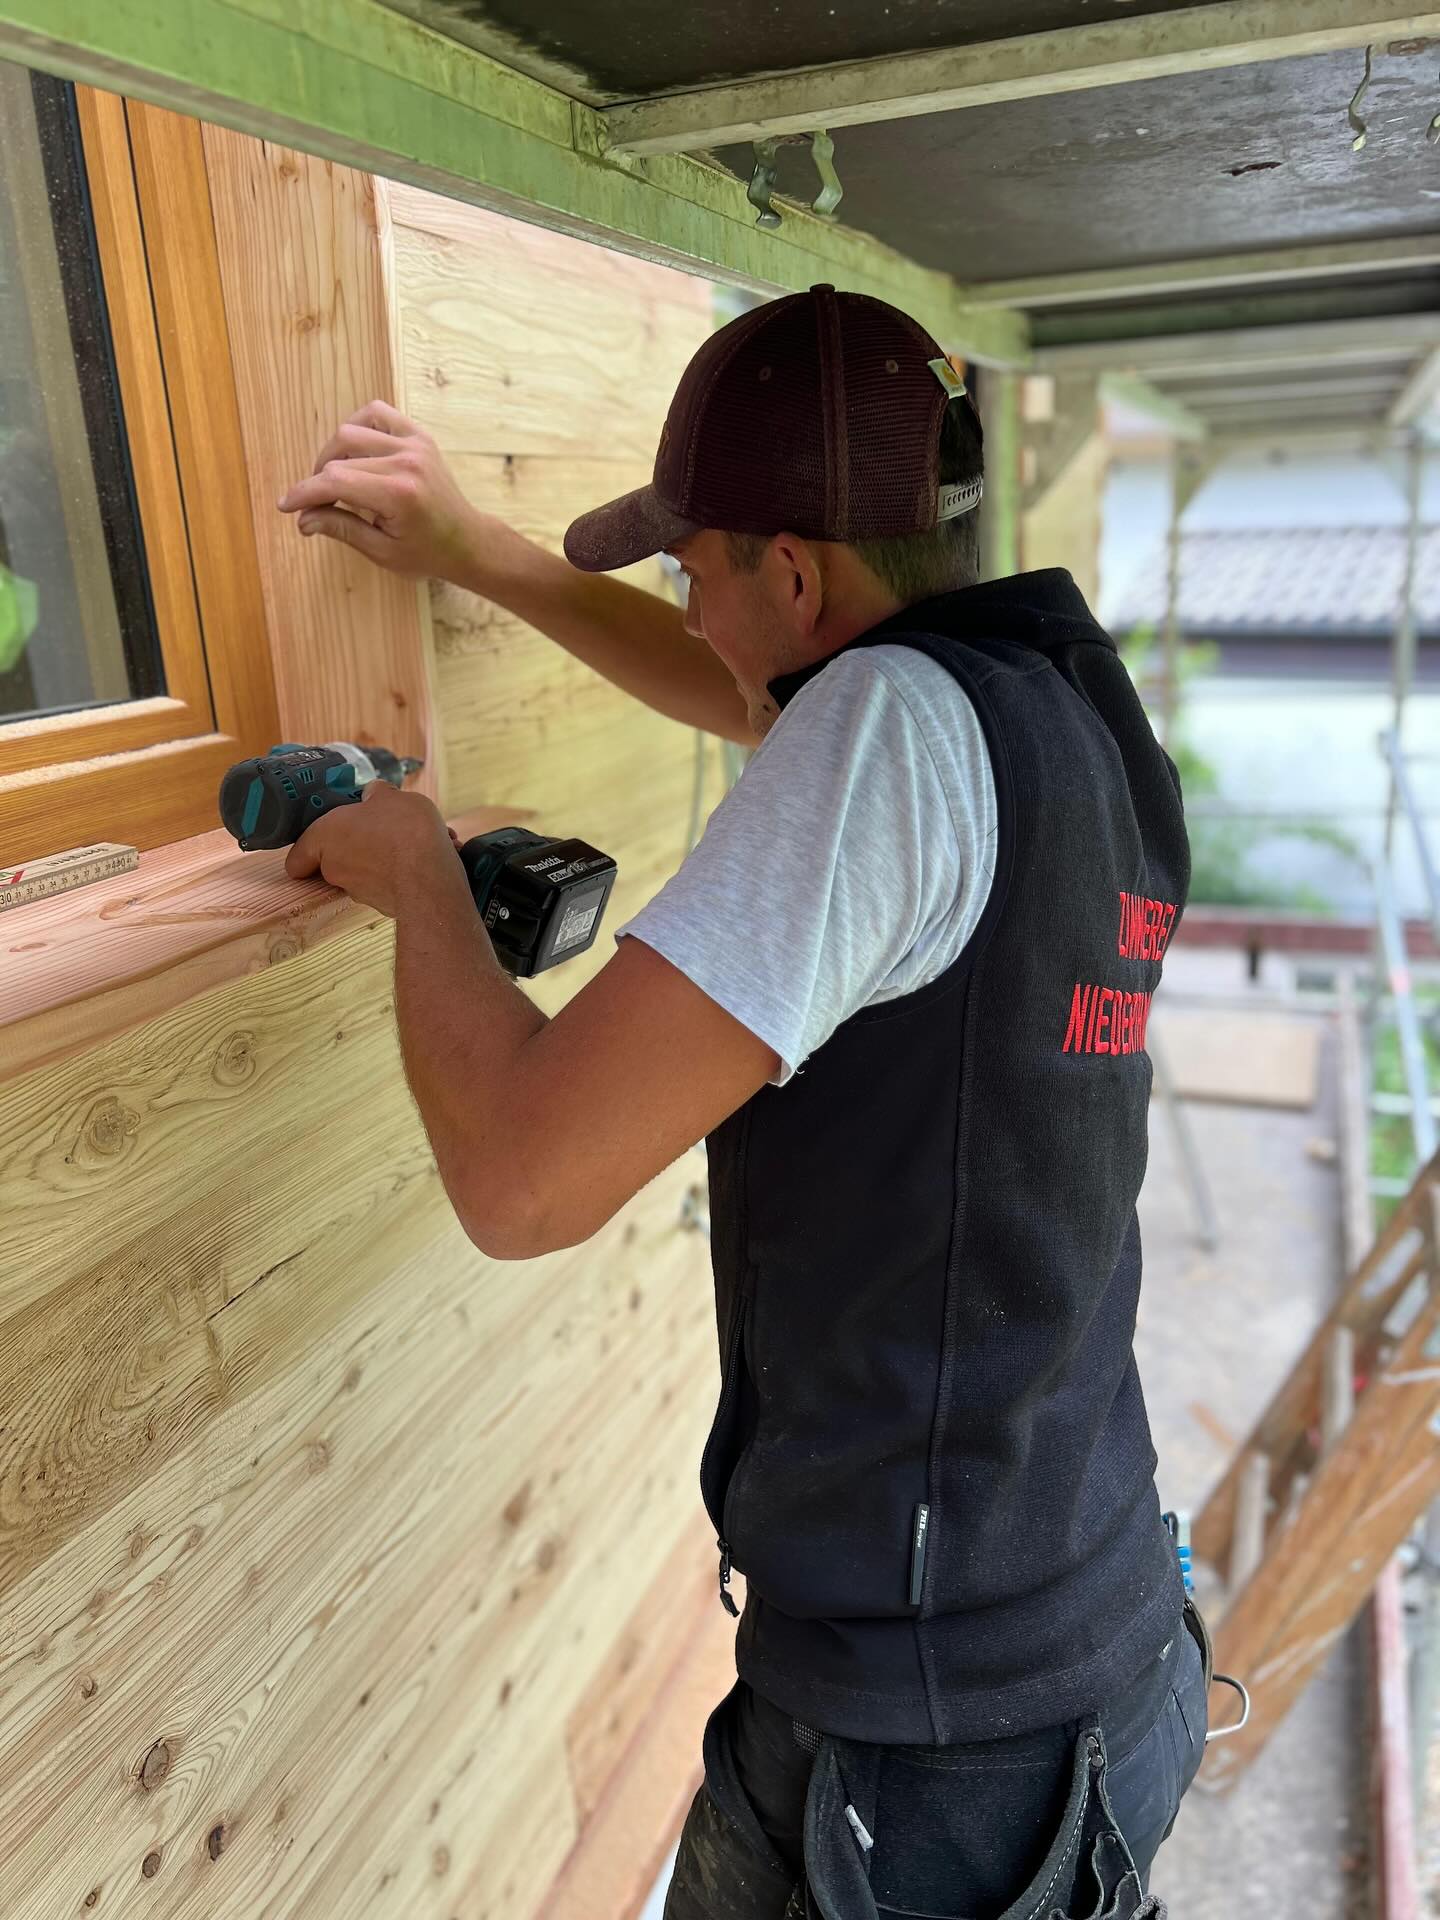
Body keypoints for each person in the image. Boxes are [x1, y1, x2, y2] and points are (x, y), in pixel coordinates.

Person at [277, 285, 1205, 1920]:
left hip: (929, 1776)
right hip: (1093, 1638)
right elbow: (756, 697)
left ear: (796, 572)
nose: (688, 610)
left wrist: (421, 877)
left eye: (692, 568)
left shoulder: (888, 737)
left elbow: (519, 1181)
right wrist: (475, 548)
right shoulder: (1056, 708)